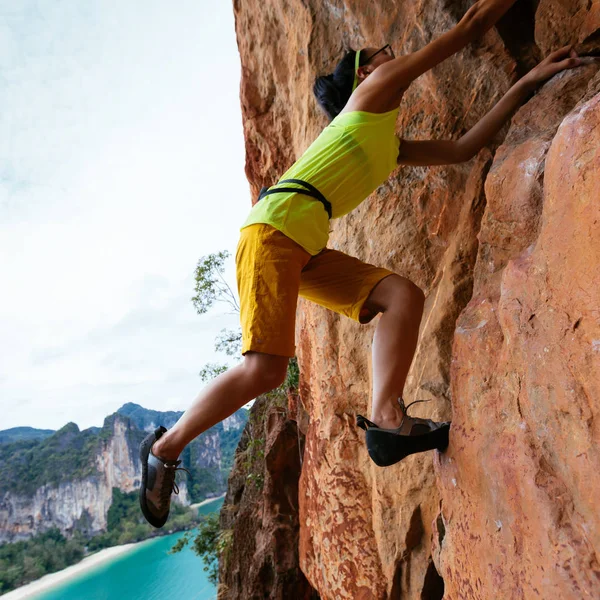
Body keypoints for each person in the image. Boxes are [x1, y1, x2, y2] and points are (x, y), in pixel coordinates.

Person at [139, 0, 586, 527]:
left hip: (302, 244)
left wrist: (531, 77)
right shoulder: (371, 94)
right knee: (266, 369)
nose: (390, 54)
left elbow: (465, 147)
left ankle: (385, 418)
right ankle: (164, 449)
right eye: (379, 54)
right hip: (273, 232)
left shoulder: (386, 145)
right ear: (365, 73)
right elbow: (468, 27)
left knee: (403, 296)